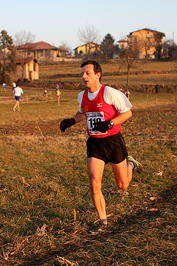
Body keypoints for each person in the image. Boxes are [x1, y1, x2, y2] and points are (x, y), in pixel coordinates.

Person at [60, 60, 143, 232]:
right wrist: (72, 121)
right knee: (94, 182)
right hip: (95, 143)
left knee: (123, 185)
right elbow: (83, 112)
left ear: (98, 74)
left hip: (113, 141)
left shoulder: (110, 93)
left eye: (87, 73)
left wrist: (110, 123)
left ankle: (130, 164)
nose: (84, 76)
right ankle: (103, 222)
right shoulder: (82, 96)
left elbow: (128, 113)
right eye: (82, 73)